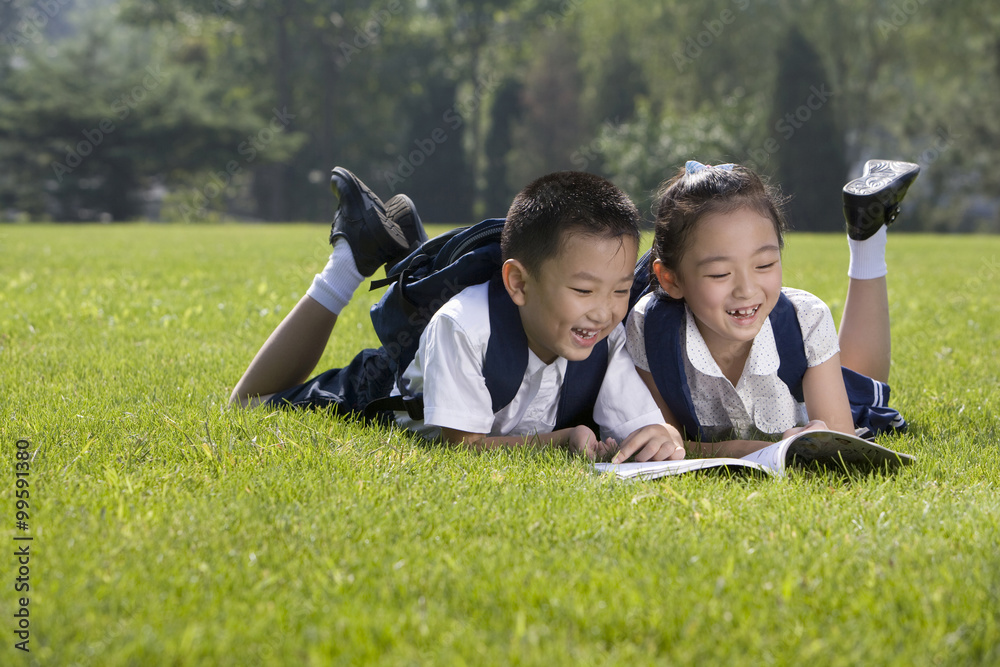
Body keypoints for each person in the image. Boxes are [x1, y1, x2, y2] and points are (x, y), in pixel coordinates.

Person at [231, 168, 686, 464]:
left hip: (450, 342)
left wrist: (657, 435)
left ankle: (409, 252)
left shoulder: (606, 335)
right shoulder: (465, 326)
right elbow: (462, 447)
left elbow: (637, 426)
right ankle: (351, 256)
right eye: (584, 289)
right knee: (248, 405)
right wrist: (559, 441)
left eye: (622, 290)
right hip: (382, 387)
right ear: (519, 284)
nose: (605, 310)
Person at [626, 159, 918, 457]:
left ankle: (866, 236)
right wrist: (757, 448)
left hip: (806, 389)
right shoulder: (650, 328)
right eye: (720, 274)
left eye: (764, 265)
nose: (747, 289)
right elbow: (668, 440)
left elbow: (838, 445)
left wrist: (819, 436)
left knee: (861, 390)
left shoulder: (805, 319)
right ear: (670, 279)